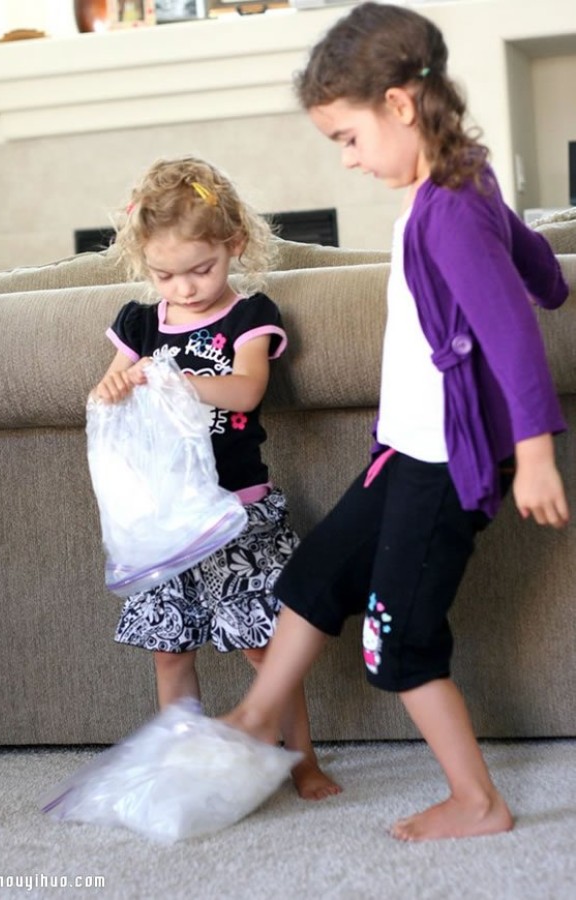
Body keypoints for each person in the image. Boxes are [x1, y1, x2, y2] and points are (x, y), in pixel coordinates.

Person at [224, 2, 570, 840]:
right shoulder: (460, 179)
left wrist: (533, 455)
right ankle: (255, 720)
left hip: (446, 466)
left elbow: (513, 339)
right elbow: (520, 247)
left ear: (400, 106)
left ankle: (478, 801)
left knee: (400, 637)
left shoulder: (445, 209)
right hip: (403, 452)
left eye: (347, 136)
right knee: (314, 576)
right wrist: (550, 277)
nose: (347, 159)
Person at [92, 156, 340, 801]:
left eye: (201, 269)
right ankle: (184, 773)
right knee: (170, 651)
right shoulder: (139, 325)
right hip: (166, 521)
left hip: (239, 511)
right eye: (164, 274)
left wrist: (169, 377)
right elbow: (107, 393)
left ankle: (303, 762)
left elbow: (248, 388)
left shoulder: (249, 314)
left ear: (233, 245)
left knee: (264, 649)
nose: (184, 288)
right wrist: (118, 379)